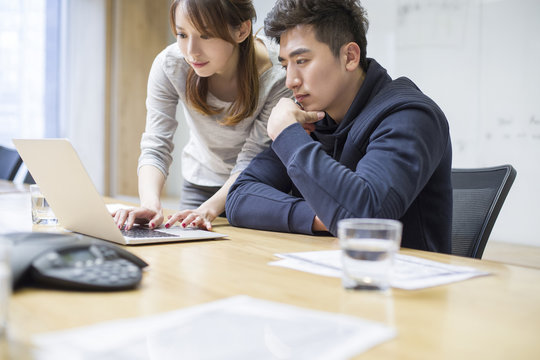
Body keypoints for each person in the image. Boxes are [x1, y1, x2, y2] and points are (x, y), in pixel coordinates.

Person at [225, 0, 453, 253]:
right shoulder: (313, 116)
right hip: (330, 274)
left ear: (350, 57)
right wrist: (322, 217)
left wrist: (287, 135)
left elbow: (365, 221)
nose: (290, 81)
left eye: (301, 61)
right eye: (285, 65)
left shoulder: (410, 116)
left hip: (402, 284)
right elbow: (239, 197)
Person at [114, 0, 290, 231]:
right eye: (182, 34)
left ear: (242, 30)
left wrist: (208, 209)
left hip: (256, 191)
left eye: (205, 35)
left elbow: (251, 159)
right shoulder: (170, 65)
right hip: (199, 185)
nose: (191, 51)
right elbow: (156, 145)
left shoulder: (279, 75)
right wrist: (150, 204)